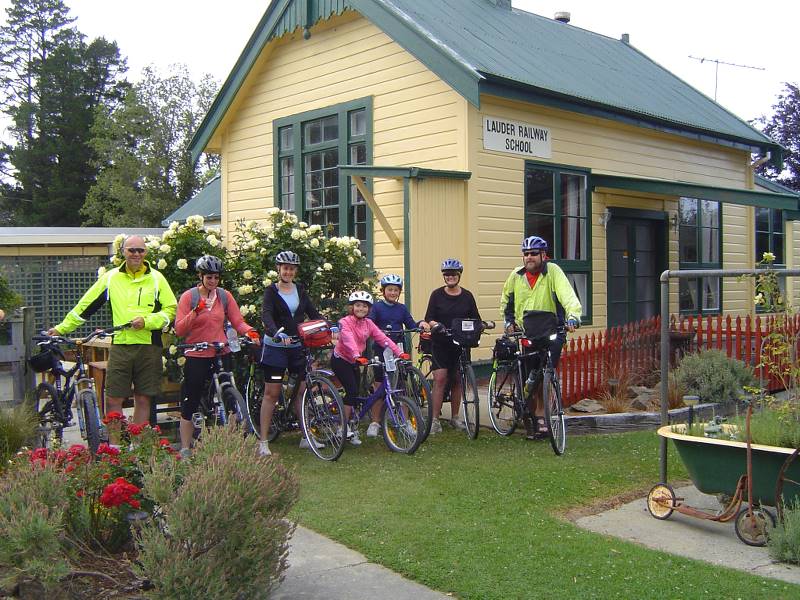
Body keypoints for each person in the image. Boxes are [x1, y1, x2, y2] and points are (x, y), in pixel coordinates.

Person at [48, 235, 177, 426]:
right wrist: (61, 328)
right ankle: (116, 443)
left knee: (143, 399)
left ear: (146, 252)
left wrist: (148, 322)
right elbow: (85, 307)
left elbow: (171, 310)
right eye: (131, 250)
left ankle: (138, 442)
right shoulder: (110, 278)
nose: (136, 254)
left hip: (149, 347)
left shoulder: (157, 278)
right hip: (121, 346)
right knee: (113, 399)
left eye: (140, 250)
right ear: (123, 252)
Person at [174, 255, 260, 459]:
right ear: (200, 276)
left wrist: (250, 332)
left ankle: (234, 441)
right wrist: (195, 312)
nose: (213, 281)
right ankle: (185, 447)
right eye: (209, 277)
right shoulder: (189, 297)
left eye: (216, 277)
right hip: (197, 352)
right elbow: (179, 329)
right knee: (191, 399)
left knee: (229, 395)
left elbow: (238, 321)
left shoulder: (224, 296)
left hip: (221, 350)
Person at [499, 235, 582, 439]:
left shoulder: (553, 272)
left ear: (543, 255)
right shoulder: (516, 275)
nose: (529, 257)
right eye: (526, 254)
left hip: (551, 331)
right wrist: (508, 323)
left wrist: (573, 316)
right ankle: (530, 418)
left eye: (534, 253)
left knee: (546, 373)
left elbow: (568, 296)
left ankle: (542, 416)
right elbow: (506, 302)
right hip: (527, 333)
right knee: (530, 378)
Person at [259, 250, 322, 457]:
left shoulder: (300, 290)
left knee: (301, 391)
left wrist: (327, 325)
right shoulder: (271, 291)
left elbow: (312, 313)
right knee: (272, 393)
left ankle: (306, 437)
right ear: (279, 269)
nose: (288, 272)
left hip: (296, 347)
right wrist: (276, 332)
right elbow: (267, 315)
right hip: (275, 348)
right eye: (285, 268)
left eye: (292, 269)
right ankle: (263, 441)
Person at [331, 290, 408, 446]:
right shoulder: (345, 322)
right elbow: (348, 339)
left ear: (369, 309)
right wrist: (356, 355)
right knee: (352, 391)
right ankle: (341, 428)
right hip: (342, 360)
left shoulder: (368, 323)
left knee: (356, 394)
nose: (361, 309)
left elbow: (382, 338)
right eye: (358, 305)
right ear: (352, 307)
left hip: (356, 360)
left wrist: (399, 352)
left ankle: (352, 427)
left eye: (365, 306)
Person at [365, 274, 430, 437]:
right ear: (383, 291)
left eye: (396, 290)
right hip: (381, 350)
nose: (393, 293)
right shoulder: (377, 307)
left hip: (399, 350)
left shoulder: (402, 308)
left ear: (399, 292)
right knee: (379, 386)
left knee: (402, 387)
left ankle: (405, 421)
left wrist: (420, 324)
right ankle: (375, 422)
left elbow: (410, 324)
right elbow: (369, 324)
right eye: (390, 290)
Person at [424, 259, 482, 435]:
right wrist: (436, 325)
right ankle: (434, 419)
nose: (450, 277)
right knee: (440, 379)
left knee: (458, 379)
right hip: (441, 343)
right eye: (447, 274)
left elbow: (475, 318)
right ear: (444, 276)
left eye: (453, 274)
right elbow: (429, 318)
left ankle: (455, 417)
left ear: (459, 275)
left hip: (461, 342)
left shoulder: (467, 296)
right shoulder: (436, 295)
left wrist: (481, 326)